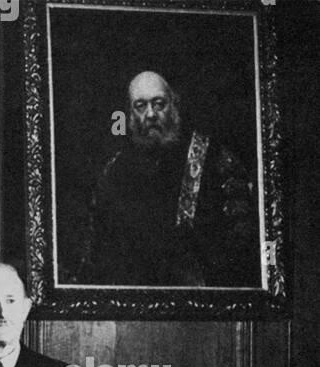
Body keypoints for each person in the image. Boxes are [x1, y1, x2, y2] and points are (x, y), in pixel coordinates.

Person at [74, 71, 258, 286]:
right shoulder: (115, 172)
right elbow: (98, 255)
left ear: (173, 106)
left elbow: (241, 248)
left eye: (159, 104)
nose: (151, 114)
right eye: (140, 106)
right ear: (130, 114)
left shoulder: (214, 160)